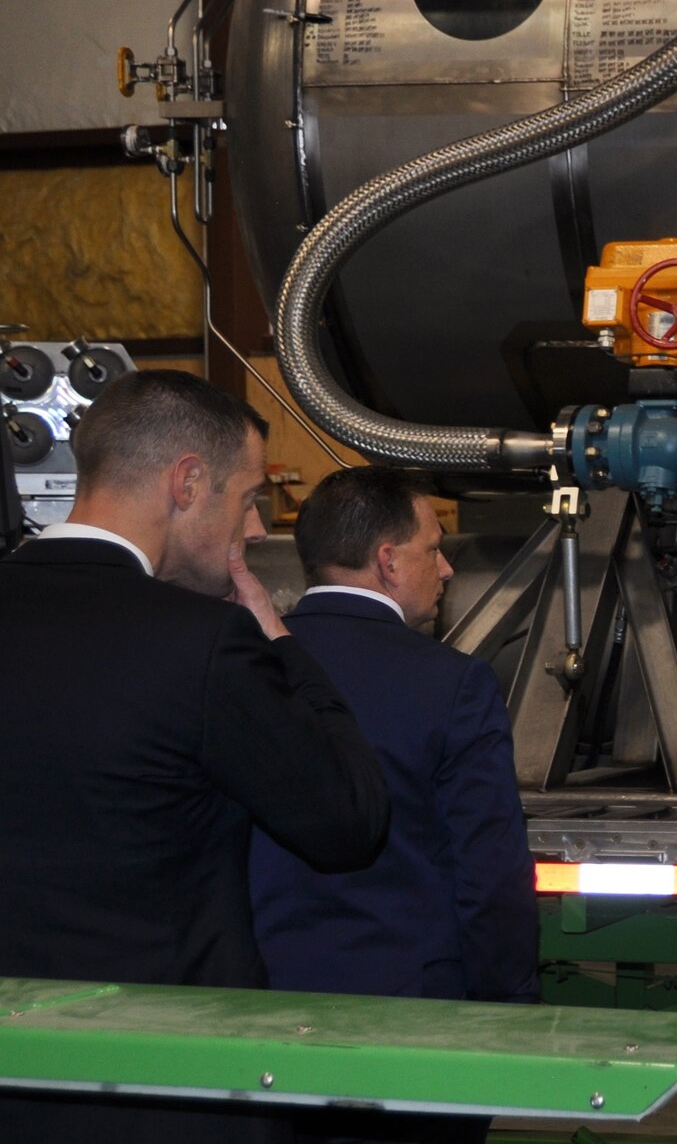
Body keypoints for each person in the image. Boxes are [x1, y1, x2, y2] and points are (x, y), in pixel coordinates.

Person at [0, 370, 389, 1144]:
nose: (252, 531)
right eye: (247, 498)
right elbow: (349, 821)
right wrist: (281, 641)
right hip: (170, 1093)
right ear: (186, 482)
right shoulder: (200, 644)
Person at [248, 466, 538, 1144]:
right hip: (413, 1033)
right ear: (386, 560)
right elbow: (489, 876)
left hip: (257, 1026)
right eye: (433, 547)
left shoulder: (243, 667)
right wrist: (508, 1012)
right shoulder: (453, 684)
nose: (443, 569)